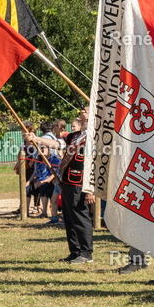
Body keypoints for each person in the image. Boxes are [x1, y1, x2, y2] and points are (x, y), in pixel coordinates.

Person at [59, 107, 95, 264]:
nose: (82, 113)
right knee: (69, 218)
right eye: (81, 114)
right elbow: (56, 143)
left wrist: (91, 190)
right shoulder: (75, 136)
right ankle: (75, 251)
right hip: (68, 181)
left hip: (81, 183)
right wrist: (36, 139)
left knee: (81, 217)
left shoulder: (94, 137)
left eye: (86, 112)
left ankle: (86, 252)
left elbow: (94, 165)